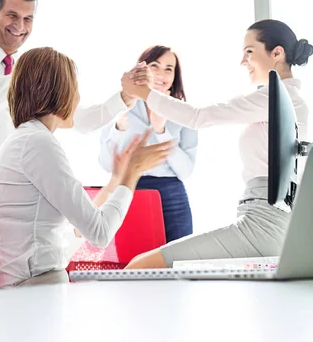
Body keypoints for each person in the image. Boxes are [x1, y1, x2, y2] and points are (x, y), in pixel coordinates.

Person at [0, 0, 140, 283]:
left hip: (8, 179)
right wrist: (26, 76)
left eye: (28, 18)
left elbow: (72, 117)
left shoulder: (34, 122)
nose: (20, 26)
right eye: (12, 16)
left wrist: (124, 98)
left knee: (4, 272)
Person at [120, 19, 313, 269]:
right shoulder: (284, 99)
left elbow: (198, 117)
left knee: (141, 265)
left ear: (277, 53)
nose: (243, 61)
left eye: (249, 52)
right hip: (267, 218)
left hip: (264, 222)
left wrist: (145, 93)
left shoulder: (276, 97)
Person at [0, 47, 174, 287]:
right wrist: (131, 175)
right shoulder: (37, 144)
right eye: (75, 88)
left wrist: (117, 179)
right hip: (35, 292)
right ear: (56, 92)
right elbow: (100, 233)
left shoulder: (27, 140)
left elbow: (79, 229)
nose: (78, 98)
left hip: (31, 288)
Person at [99, 45, 197, 242]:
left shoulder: (185, 112)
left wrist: (161, 130)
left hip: (171, 196)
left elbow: (185, 171)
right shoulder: (119, 106)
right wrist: (120, 127)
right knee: (132, 263)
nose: (162, 74)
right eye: (155, 65)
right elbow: (107, 164)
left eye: (169, 68)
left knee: (177, 264)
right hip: (128, 189)